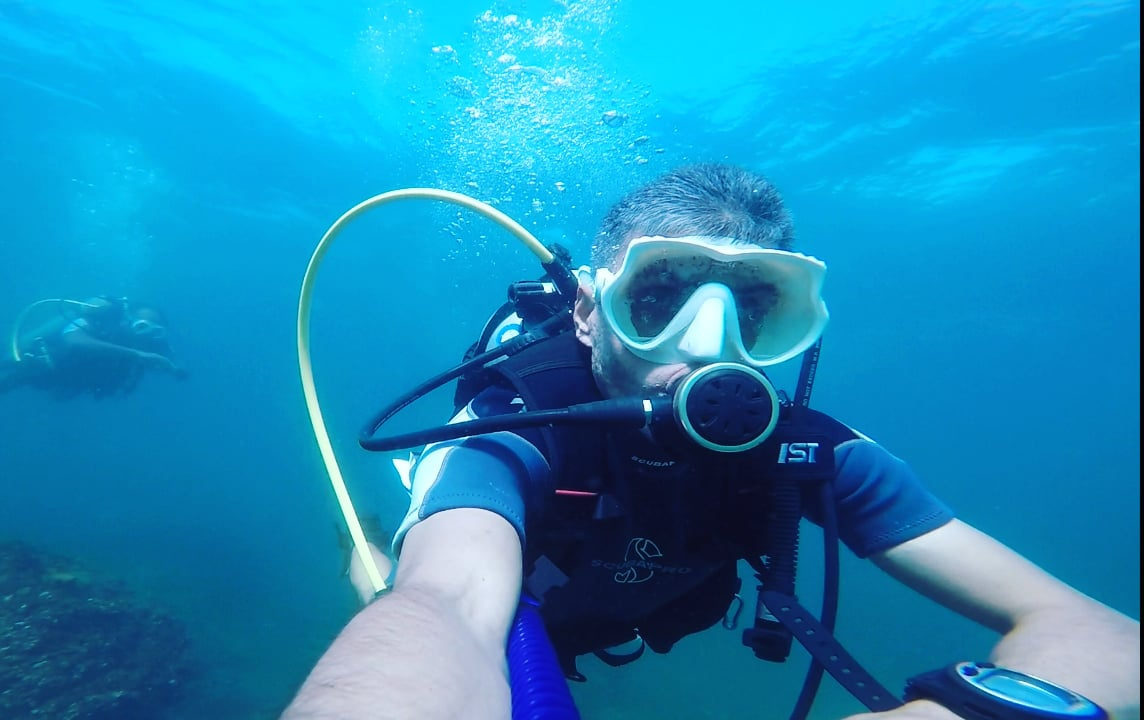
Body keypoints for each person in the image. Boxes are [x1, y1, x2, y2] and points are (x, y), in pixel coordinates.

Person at [281, 164, 1139, 720]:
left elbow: (1106, 638)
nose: (706, 345)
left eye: (750, 310)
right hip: (524, 602)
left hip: (613, 614)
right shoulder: (514, 428)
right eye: (660, 301)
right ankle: (375, 536)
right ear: (588, 313)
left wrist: (966, 712)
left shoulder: (807, 451)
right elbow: (448, 607)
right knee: (388, 584)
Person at [0, 295, 186, 399]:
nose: (144, 335)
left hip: (64, 379)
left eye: (154, 331)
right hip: (40, 361)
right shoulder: (100, 323)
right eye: (141, 326)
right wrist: (136, 354)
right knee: (11, 375)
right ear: (127, 320)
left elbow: (175, 366)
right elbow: (74, 340)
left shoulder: (149, 346)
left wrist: (174, 369)